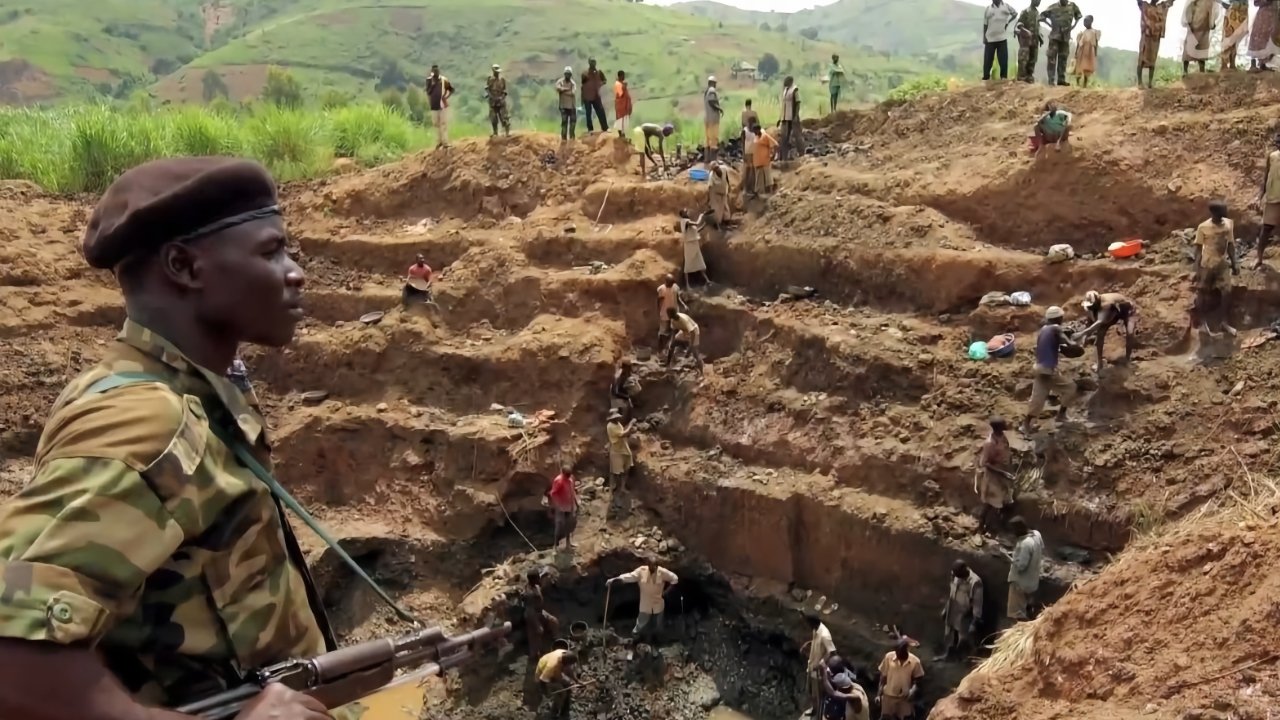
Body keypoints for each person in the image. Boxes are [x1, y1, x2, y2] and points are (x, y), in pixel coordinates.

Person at [0, 157, 356, 720]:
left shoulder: (187, 385)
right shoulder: (147, 421)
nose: (295, 273)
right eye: (271, 252)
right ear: (184, 267)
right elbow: (14, 660)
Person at [1021, 305, 1082, 434]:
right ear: (1059, 318)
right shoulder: (1056, 328)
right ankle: (1061, 416)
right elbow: (1069, 343)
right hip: (1048, 370)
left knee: (1037, 399)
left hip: (1039, 369)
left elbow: (1053, 345)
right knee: (1070, 388)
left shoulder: (1043, 330)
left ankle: (1025, 426)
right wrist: (1077, 342)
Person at [1191, 200, 1240, 337]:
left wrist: (1234, 263)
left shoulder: (1228, 224)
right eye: (1223, 210)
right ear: (1214, 212)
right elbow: (1198, 249)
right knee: (1203, 293)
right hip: (1207, 264)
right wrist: (1197, 269)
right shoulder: (1203, 227)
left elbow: (1230, 244)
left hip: (1222, 264)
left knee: (1227, 292)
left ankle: (1224, 323)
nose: (1226, 212)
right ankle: (1202, 323)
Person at [608, 560, 678, 643]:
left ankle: (657, 640)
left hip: (658, 603)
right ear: (648, 564)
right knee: (641, 623)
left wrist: (666, 592)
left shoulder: (662, 572)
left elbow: (675, 579)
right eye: (651, 564)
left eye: (654, 565)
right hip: (645, 603)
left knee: (658, 623)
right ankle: (638, 638)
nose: (653, 567)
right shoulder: (641, 571)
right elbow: (630, 576)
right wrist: (615, 579)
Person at [1077, 290, 1138, 372]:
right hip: (1113, 312)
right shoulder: (1089, 307)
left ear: (1097, 303)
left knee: (1130, 333)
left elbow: (1099, 322)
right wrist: (1085, 337)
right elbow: (1090, 321)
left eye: (1092, 306)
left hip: (1127, 310)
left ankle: (1127, 359)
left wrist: (1082, 333)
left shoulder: (1106, 304)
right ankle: (1099, 364)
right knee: (1099, 335)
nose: (1090, 308)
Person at [937, 560, 984, 662]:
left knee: (964, 638)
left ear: (965, 569)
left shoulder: (975, 582)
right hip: (953, 609)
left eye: (959, 575)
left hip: (964, 614)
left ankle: (967, 660)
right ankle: (948, 655)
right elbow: (952, 593)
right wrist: (946, 609)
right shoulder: (955, 575)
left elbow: (977, 604)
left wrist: (974, 623)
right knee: (950, 634)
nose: (957, 577)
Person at [975, 416, 1015, 533]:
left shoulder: (1002, 436)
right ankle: (981, 524)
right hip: (994, 476)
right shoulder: (990, 443)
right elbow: (984, 463)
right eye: (1003, 424)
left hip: (1004, 472)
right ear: (998, 427)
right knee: (990, 502)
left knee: (1006, 499)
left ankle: (1001, 523)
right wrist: (1003, 473)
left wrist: (1009, 468)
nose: (1006, 425)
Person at [1006, 517, 1045, 622]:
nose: (1013, 533)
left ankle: (1023, 628)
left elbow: (1021, 566)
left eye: (1014, 530)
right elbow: (1040, 548)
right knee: (1027, 605)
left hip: (1020, 584)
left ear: (1018, 529)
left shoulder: (1025, 544)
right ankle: (1031, 615)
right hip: (1032, 581)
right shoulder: (1037, 534)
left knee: (1017, 612)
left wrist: (1009, 558)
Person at [877, 638, 924, 720]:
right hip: (888, 697)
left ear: (907, 650)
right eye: (898, 653)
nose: (900, 656)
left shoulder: (915, 662)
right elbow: (883, 677)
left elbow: (918, 679)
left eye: (902, 653)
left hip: (904, 699)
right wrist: (878, 695)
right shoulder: (888, 657)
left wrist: (912, 691)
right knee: (886, 718)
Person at [1039, 0, 1081, 86]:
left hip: (1065, 37)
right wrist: (1050, 25)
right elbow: (1041, 17)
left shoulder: (1072, 6)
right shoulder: (1053, 7)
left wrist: (1073, 26)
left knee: (1063, 58)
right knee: (1051, 58)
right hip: (1054, 37)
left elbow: (1078, 16)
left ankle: (1061, 80)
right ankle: (1051, 80)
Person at [1254, 134, 1280, 268]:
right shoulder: (1272, 157)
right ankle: (1258, 259)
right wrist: (1259, 196)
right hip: (1273, 197)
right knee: (1266, 229)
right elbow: (1266, 177)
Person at [523, 567, 561, 659]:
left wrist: (545, 572)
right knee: (537, 633)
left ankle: (557, 641)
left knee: (554, 622)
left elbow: (541, 574)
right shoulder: (529, 594)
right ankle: (536, 655)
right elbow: (529, 611)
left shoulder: (535, 583)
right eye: (538, 578)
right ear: (533, 580)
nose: (539, 579)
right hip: (532, 616)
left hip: (540, 611)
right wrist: (537, 625)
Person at [1138, 0, 1177, 87]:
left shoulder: (1161, 7)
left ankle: (1150, 83)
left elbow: (1171, 1)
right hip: (1146, 36)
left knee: (1152, 60)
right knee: (1142, 59)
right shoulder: (1145, 6)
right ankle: (1140, 82)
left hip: (1155, 37)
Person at [805, 615, 838, 717]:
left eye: (808, 623)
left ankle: (818, 716)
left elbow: (832, 652)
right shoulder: (815, 629)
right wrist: (809, 643)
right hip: (811, 665)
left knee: (818, 695)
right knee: (810, 691)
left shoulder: (825, 635)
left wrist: (822, 662)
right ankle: (814, 709)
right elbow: (818, 643)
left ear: (813, 623)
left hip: (818, 671)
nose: (807, 625)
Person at [536, 648, 580, 719]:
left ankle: (565, 709)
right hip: (543, 672)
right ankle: (554, 713)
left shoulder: (564, 653)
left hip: (554, 668)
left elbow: (569, 670)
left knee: (567, 685)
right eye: (567, 664)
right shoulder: (552, 666)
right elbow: (542, 680)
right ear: (564, 663)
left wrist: (576, 680)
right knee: (561, 693)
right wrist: (546, 692)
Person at [1182, 0, 1222, 75]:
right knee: (1189, 47)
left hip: (1204, 27)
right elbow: (1189, 7)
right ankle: (1185, 71)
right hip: (1193, 25)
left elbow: (1213, 11)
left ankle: (1201, 71)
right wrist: (1188, 21)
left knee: (1202, 48)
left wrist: (1212, 23)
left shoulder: (1210, 2)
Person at [983, 0, 1018, 81]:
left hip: (1002, 38)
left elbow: (1015, 14)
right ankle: (986, 78)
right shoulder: (988, 9)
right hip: (990, 39)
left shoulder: (1006, 6)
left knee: (1003, 60)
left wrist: (1008, 22)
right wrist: (984, 37)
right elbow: (985, 24)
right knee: (988, 60)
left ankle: (1003, 78)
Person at [547, 467, 579, 550]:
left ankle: (568, 543)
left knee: (569, 525)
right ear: (562, 473)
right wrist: (557, 505)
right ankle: (555, 546)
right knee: (559, 525)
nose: (568, 477)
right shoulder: (558, 481)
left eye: (569, 475)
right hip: (561, 507)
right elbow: (553, 493)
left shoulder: (571, 479)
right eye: (566, 475)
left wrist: (576, 502)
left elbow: (572, 491)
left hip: (569, 506)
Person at [665, 307, 704, 372]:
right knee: (672, 345)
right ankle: (668, 364)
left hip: (694, 330)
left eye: (669, 314)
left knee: (694, 351)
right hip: (684, 331)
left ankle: (701, 370)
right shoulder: (673, 320)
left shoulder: (683, 320)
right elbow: (673, 332)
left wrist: (691, 346)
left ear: (673, 314)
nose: (668, 315)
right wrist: (671, 341)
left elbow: (692, 332)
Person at [677, 208, 709, 287]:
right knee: (688, 264)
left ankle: (707, 280)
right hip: (689, 245)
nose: (687, 212)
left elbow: (695, 232)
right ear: (682, 214)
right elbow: (697, 223)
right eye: (685, 212)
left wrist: (703, 226)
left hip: (694, 244)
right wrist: (701, 216)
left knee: (700, 262)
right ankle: (687, 285)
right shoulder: (685, 221)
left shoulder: (688, 222)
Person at [606, 409, 636, 491]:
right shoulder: (610, 426)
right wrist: (630, 424)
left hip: (624, 447)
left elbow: (624, 432)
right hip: (617, 450)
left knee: (627, 468)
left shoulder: (617, 423)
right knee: (617, 471)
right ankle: (614, 486)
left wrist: (630, 431)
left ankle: (622, 486)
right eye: (616, 417)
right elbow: (622, 434)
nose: (618, 418)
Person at [425, 64, 454, 148]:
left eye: (437, 71)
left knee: (443, 124)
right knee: (436, 125)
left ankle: (445, 142)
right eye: (434, 71)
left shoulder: (444, 80)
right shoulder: (429, 80)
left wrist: (446, 97)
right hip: (434, 106)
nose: (436, 73)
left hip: (443, 105)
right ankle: (439, 142)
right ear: (432, 72)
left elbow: (451, 89)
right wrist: (433, 84)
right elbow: (428, 92)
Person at [1015, 0, 1044, 82]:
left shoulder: (1037, 13)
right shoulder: (1025, 12)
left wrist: (1040, 37)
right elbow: (1018, 25)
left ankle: (1029, 76)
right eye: (1037, 1)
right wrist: (1026, 31)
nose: (1039, 2)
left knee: (1033, 59)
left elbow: (1037, 26)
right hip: (1026, 40)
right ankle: (1022, 77)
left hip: (1035, 40)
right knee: (1023, 59)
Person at [657, 274, 686, 351]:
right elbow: (659, 301)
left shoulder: (675, 287)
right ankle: (660, 350)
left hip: (674, 313)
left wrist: (683, 305)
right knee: (663, 332)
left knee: (675, 330)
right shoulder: (661, 289)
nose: (671, 284)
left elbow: (677, 298)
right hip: (665, 313)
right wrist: (659, 312)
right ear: (666, 282)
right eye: (669, 283)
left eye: (672, 283)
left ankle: (672, 348)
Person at [1248, 0, 1278, 72]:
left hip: (1274, 17)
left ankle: (1263, 64)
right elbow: (1256, 2)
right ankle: (1253, 64)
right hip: (1263, 16)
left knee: (1270, 40)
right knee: (1258, 38)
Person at [751, 122, 779, 196]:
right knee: (759, 177)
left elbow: (775, 144)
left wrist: (773, 155)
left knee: (768, 176)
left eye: (755, 131)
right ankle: (760, 192)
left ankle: (770, 192)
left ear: (758, 130)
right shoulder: (755, 137)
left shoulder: (765, 136)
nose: (754, 132)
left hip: (765, 159)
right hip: (757, 160)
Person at [581, 58, 608, 133]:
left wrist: (600, 84)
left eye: (594, 62)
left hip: (596, 95)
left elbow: (605, 80)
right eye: (591, 62)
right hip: (587, 96)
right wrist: (582, 98)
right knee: (588, 113)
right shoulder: (585, 73)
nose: (593, 63)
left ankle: (605, 127)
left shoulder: (599, 72)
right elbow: (583, 86)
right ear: (589, 63)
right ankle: (590, 129)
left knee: (601, 111)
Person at [1221, 0, 1250, 70]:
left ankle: (1232, 63)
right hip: (1233, 10)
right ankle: (1224, 63)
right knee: (1229, 38)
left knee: (1236, 39)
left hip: (1243, 11)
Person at [1072, 15, 1101, 86]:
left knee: (1087, 67)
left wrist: (1095, 52)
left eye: (1086, 21)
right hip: (1081, 51)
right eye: (1084, 22)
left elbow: (1096, 43)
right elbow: (1078, 43)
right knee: (1079, 66)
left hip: (1089, 52)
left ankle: (1085, 83)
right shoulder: (1082, 33)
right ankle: (1078, 82)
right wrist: (1076, 52)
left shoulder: (1094, 32)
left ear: (1091, 22)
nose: (1085, 23)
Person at [779, 76, 802, 160]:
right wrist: (780, 117)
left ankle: (801, 153)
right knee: (784, 137)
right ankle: (784, 156)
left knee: (797, 135)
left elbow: (798, 103)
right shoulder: (785, 90)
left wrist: (796, 115)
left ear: (790, 82)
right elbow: (783, 104)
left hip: (792, 116)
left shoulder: (795, 90)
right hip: (785, 117)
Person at [486, 64, 511, 137]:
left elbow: (504, 91)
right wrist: (491, 96)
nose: (497, 73)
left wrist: (501, 97)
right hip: (493, 101)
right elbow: (487, 89)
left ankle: (507, 133)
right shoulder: (490, 79)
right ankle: (495, 133)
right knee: (493, 118)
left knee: (504, 117)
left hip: (501, 101)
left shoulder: (502, 80)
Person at [704, 75, 724, 163]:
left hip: (707, 118)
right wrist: (719, 109)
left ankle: (707, 159)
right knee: (714, 139)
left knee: (708, 139)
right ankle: (713, 159)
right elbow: (711, 101)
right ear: (713, 83)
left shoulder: (707, 91)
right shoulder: (712, 90)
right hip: (713, 119)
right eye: (715, 83)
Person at [708, 161, 732, 228]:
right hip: (715, 192)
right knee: (716, 207)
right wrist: (709, 199)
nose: (717, 170)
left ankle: (726, 220)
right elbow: (710, 187)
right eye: (715, 169)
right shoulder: (711, 176)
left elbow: (726, 178)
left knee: (725, 205)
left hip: (723, 189)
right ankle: (717, 222)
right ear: (713, 170)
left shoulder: (724, 169)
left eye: (717, 168)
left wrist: (729, 186)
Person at [555, 67, 577, 141]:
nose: (568, 75)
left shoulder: (573, 83)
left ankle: (571, 137)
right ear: (564, 74)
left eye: (569, 74)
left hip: (572, 106)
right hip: (563, 106)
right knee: (564, 123)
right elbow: (557, 88)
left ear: (571, 75)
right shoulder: (560, 81)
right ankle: (564, 138)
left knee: (573, 123)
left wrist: (563, 91)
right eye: (567, 74)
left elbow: (573, 92)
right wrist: (567, 89)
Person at [614, 70, 633, 137]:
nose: (624, 77)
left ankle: (623, 134)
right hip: (620, 106)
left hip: (624, 106)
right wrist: (624, 87)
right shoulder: (618, 84)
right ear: (620, 76)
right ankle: (620, 134)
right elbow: (620, 94)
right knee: (620, 120)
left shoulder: (621, 84)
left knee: (624, 120)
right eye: (623, 75)